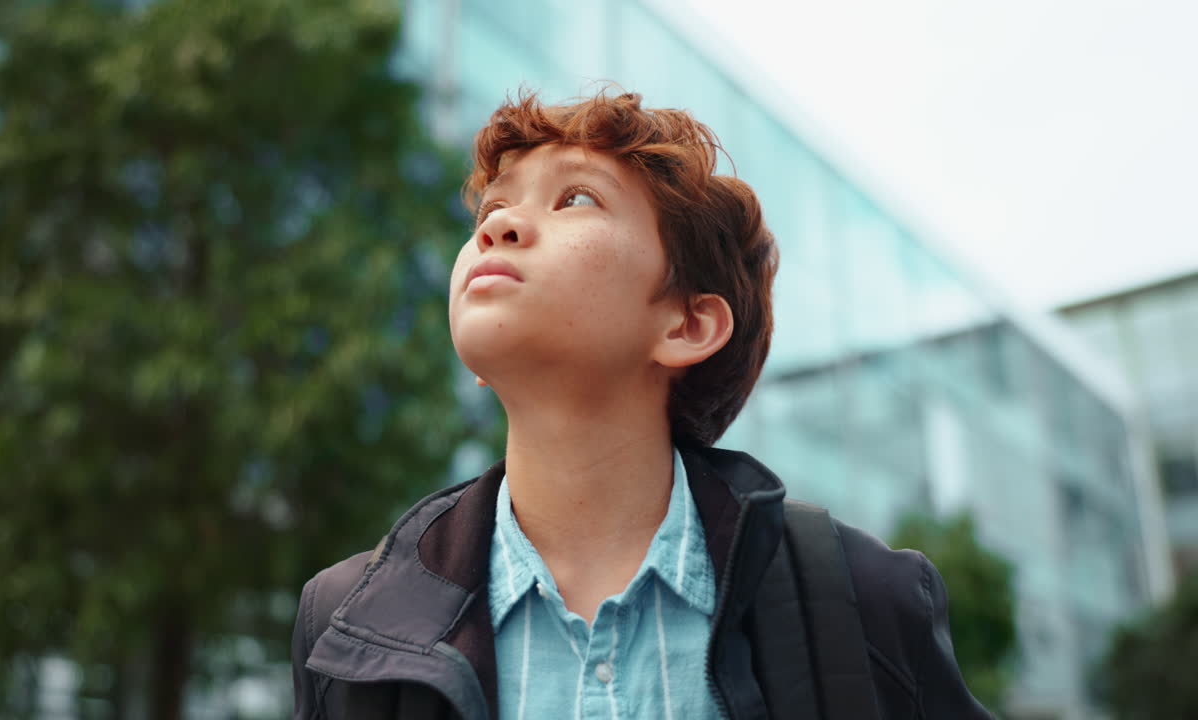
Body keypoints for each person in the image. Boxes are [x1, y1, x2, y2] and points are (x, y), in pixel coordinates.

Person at [291, 89, 992, 720]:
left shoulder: (863, 600)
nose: (496, 229)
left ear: (687, 325)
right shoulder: (346, 621)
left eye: (576, 199)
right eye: (493, 208)